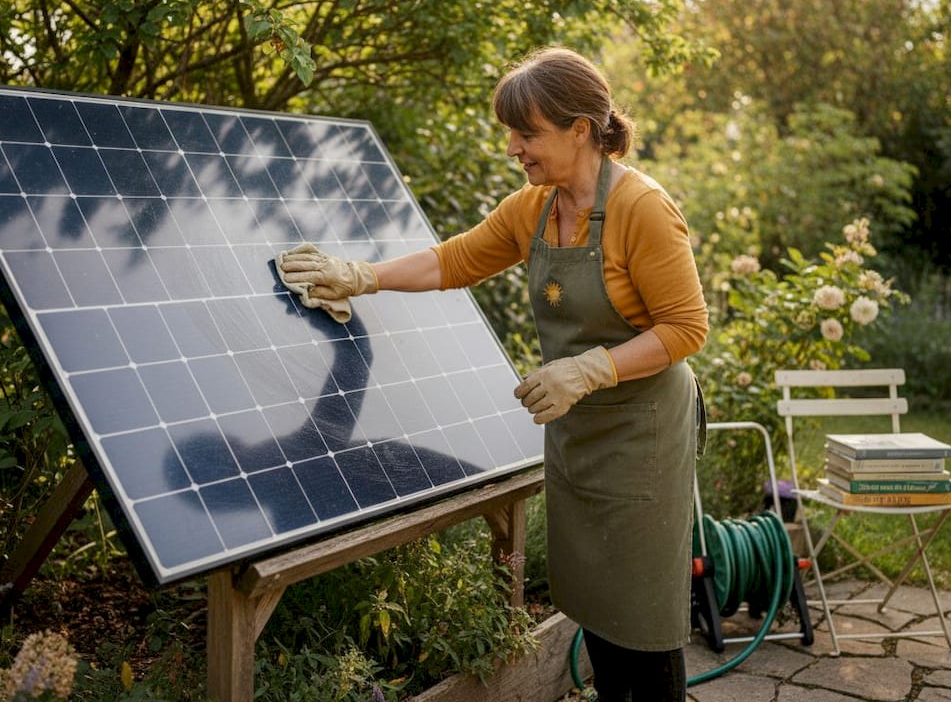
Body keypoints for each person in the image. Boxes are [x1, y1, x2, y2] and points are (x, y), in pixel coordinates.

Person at [278, 46, 708, 701]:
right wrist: (361, 275)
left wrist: (589, 369)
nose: (513, 147)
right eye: (512, 132)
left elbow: (686, 328)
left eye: (526, 132)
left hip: (643, 431)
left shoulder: (641, 210)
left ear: (580, 130)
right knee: (597, 602)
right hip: (577, 428)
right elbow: (453, 261)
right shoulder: (535, 207)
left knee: (641, 615)